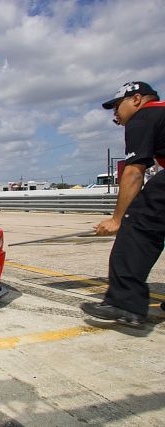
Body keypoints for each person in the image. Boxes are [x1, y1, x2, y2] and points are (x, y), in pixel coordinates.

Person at [81, 81, 165, 328]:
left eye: (117, 107)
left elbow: (133, 173)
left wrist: (118, 219)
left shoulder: (144, 117)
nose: (116, 114)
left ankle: (124, 303)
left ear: (136, 100)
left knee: (138, 226)